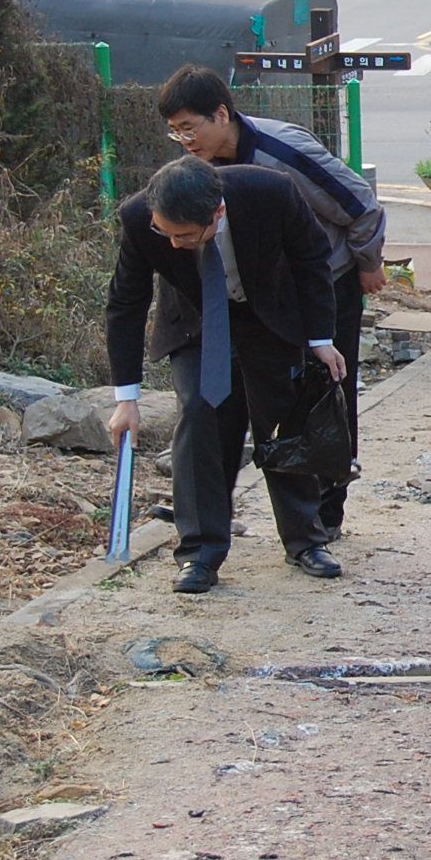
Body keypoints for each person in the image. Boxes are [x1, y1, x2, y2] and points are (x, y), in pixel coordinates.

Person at [155, 65, 386, 537]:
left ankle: (326, 512)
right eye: (175, 131)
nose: (184, 140)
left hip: (326, 280)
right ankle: (213, 507)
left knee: (326, 393)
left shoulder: (283, 152)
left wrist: (367, 264)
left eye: (189, 128)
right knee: (250, 395)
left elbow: (360, 205)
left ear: (221, 114)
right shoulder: (198, 171)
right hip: (265, 295)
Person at [105, 157, 345, 594]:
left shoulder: (271, 193)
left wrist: (319, 338)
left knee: (282, 421)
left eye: (185, 236)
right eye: (166, 233)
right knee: (198, 418)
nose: (173, 244)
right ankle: (199, 552)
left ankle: (306, 540)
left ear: (217, 213)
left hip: (269, 317)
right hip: (195, 321)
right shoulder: (140, 218)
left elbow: (311, 258)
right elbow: (126, 302)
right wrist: (127, 398)